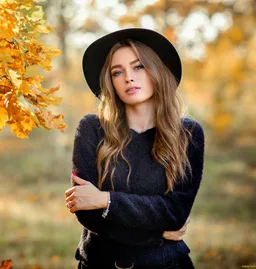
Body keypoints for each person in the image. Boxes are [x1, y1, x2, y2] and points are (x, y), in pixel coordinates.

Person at [64, 28, 205, 269]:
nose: (128, 77)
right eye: (117, 72)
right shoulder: (92, 129)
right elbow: (86, 211)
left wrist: (106, 200)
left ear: (156, 71)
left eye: (138, 67)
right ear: (111, 82)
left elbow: (175, 212)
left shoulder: (188, 134)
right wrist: (156, 234)